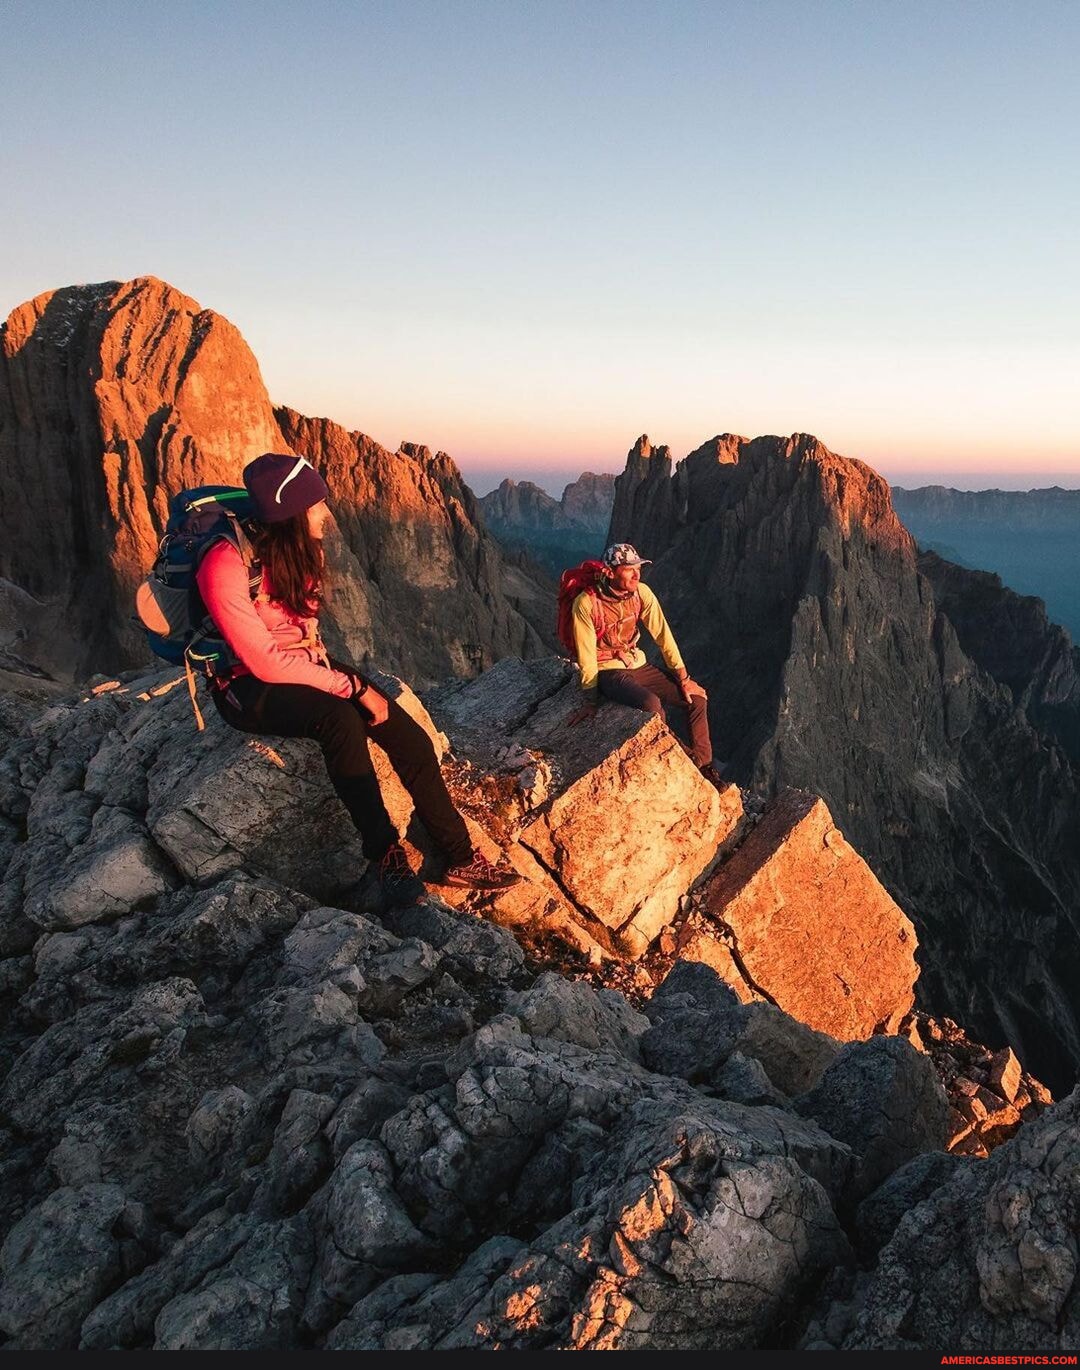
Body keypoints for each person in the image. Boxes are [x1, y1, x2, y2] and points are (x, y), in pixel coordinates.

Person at [196, 451, 520, 895]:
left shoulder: (301, 550)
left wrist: (345, 680)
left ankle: (460, 857)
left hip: (302, 662)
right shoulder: (223, 563)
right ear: (291, 513)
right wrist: (349, 686)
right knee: (340, 720)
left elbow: (303, 630)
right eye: (316, 505)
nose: (325, 514)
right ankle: (385, 855)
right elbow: (264, 661)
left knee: (407, 735)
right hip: (243, 685)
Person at [566, 543, 725, 787]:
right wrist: (590, 700)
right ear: (609, 572)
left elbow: (663, 635)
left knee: (697, 700)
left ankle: (703, 766)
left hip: (637, 664)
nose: (636, 574)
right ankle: (685, 761)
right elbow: (586, 655)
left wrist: (684, 679)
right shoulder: (586, 603)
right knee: (651, 705)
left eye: (638, 568)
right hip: (608, 670)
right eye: (629, 569)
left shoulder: (642, 593)